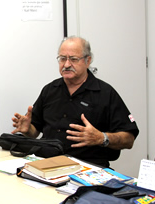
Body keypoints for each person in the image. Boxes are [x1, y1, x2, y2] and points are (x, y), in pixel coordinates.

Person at [12, 36, 139, 168]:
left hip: (88, 168)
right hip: (48, 165)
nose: (66, 65)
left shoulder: (105, 93)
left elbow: (129, 139)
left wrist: (101, 138)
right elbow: (35, 132)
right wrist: (28, 130)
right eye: (62, 59)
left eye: (73, 59)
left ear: (87, 60)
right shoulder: (50, 90)